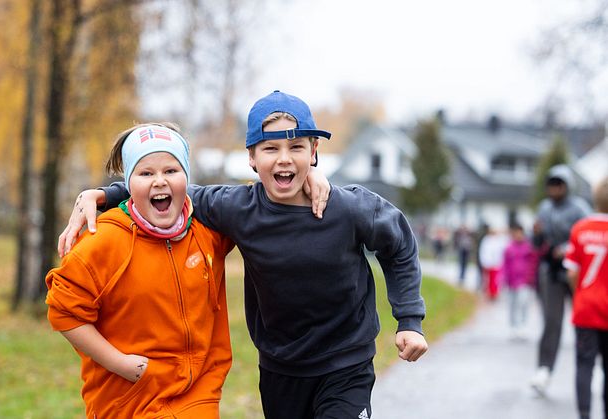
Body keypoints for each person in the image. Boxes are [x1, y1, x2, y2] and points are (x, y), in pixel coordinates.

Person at [59, 90, 428, 418]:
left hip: (346, 364)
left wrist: (409, 320)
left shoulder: (348, 209)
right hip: (281, 369)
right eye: (271, 149)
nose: (284, 159)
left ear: (314, 153)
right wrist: (103, 194)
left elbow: (399, 244)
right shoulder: (237, 208)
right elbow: (171, 185)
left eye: (297, 147)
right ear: (251, 158)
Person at [44, 123, 236, 418]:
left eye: (171, 171)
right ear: (129, 183)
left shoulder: (209, 231)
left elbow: (264, 203)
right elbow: (64, 312)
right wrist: (121, 364)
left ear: (186, 177)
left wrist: (310, 175)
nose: (160, 181)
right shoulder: (103, 240)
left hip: (198, 397)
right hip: (127, 402)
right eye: (146, 173)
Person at [530, 164, 591, 395]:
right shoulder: (544, 209)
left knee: (583, 320)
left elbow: (586, 238)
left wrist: (567, 249)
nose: (555, 189)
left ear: (567, 185)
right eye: (551, 184)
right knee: (552, 321)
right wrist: (536, 234)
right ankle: (544, 369)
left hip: (575, 272)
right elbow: (535, 244)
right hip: (551, 272)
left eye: (560, 184)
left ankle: (587, 367)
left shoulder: (579, 208)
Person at [563, 176, 608, 419]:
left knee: (584, 365)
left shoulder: (581, 228)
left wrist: (579, 292)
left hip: (587, 308)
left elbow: (572, 271)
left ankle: (584, 414)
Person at [500, 223, 537, 339]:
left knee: (523, 303)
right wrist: (504, 278)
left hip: (524, 281)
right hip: (511, 281)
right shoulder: (509, 248)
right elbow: (505, 264)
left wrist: (531, 278)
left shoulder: (528, 247)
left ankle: (522, 325)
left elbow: (533, 263)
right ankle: (513, 326)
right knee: (512, 305)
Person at [478, 228, 508, 300]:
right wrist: (484, 262)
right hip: (488, 263)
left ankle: (494, 293)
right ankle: (489, 293)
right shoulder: (486, 240)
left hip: (497, 263)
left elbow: (502, 251)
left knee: (495, 280)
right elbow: (484, 252)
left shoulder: (500, 240)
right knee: (488, 279)